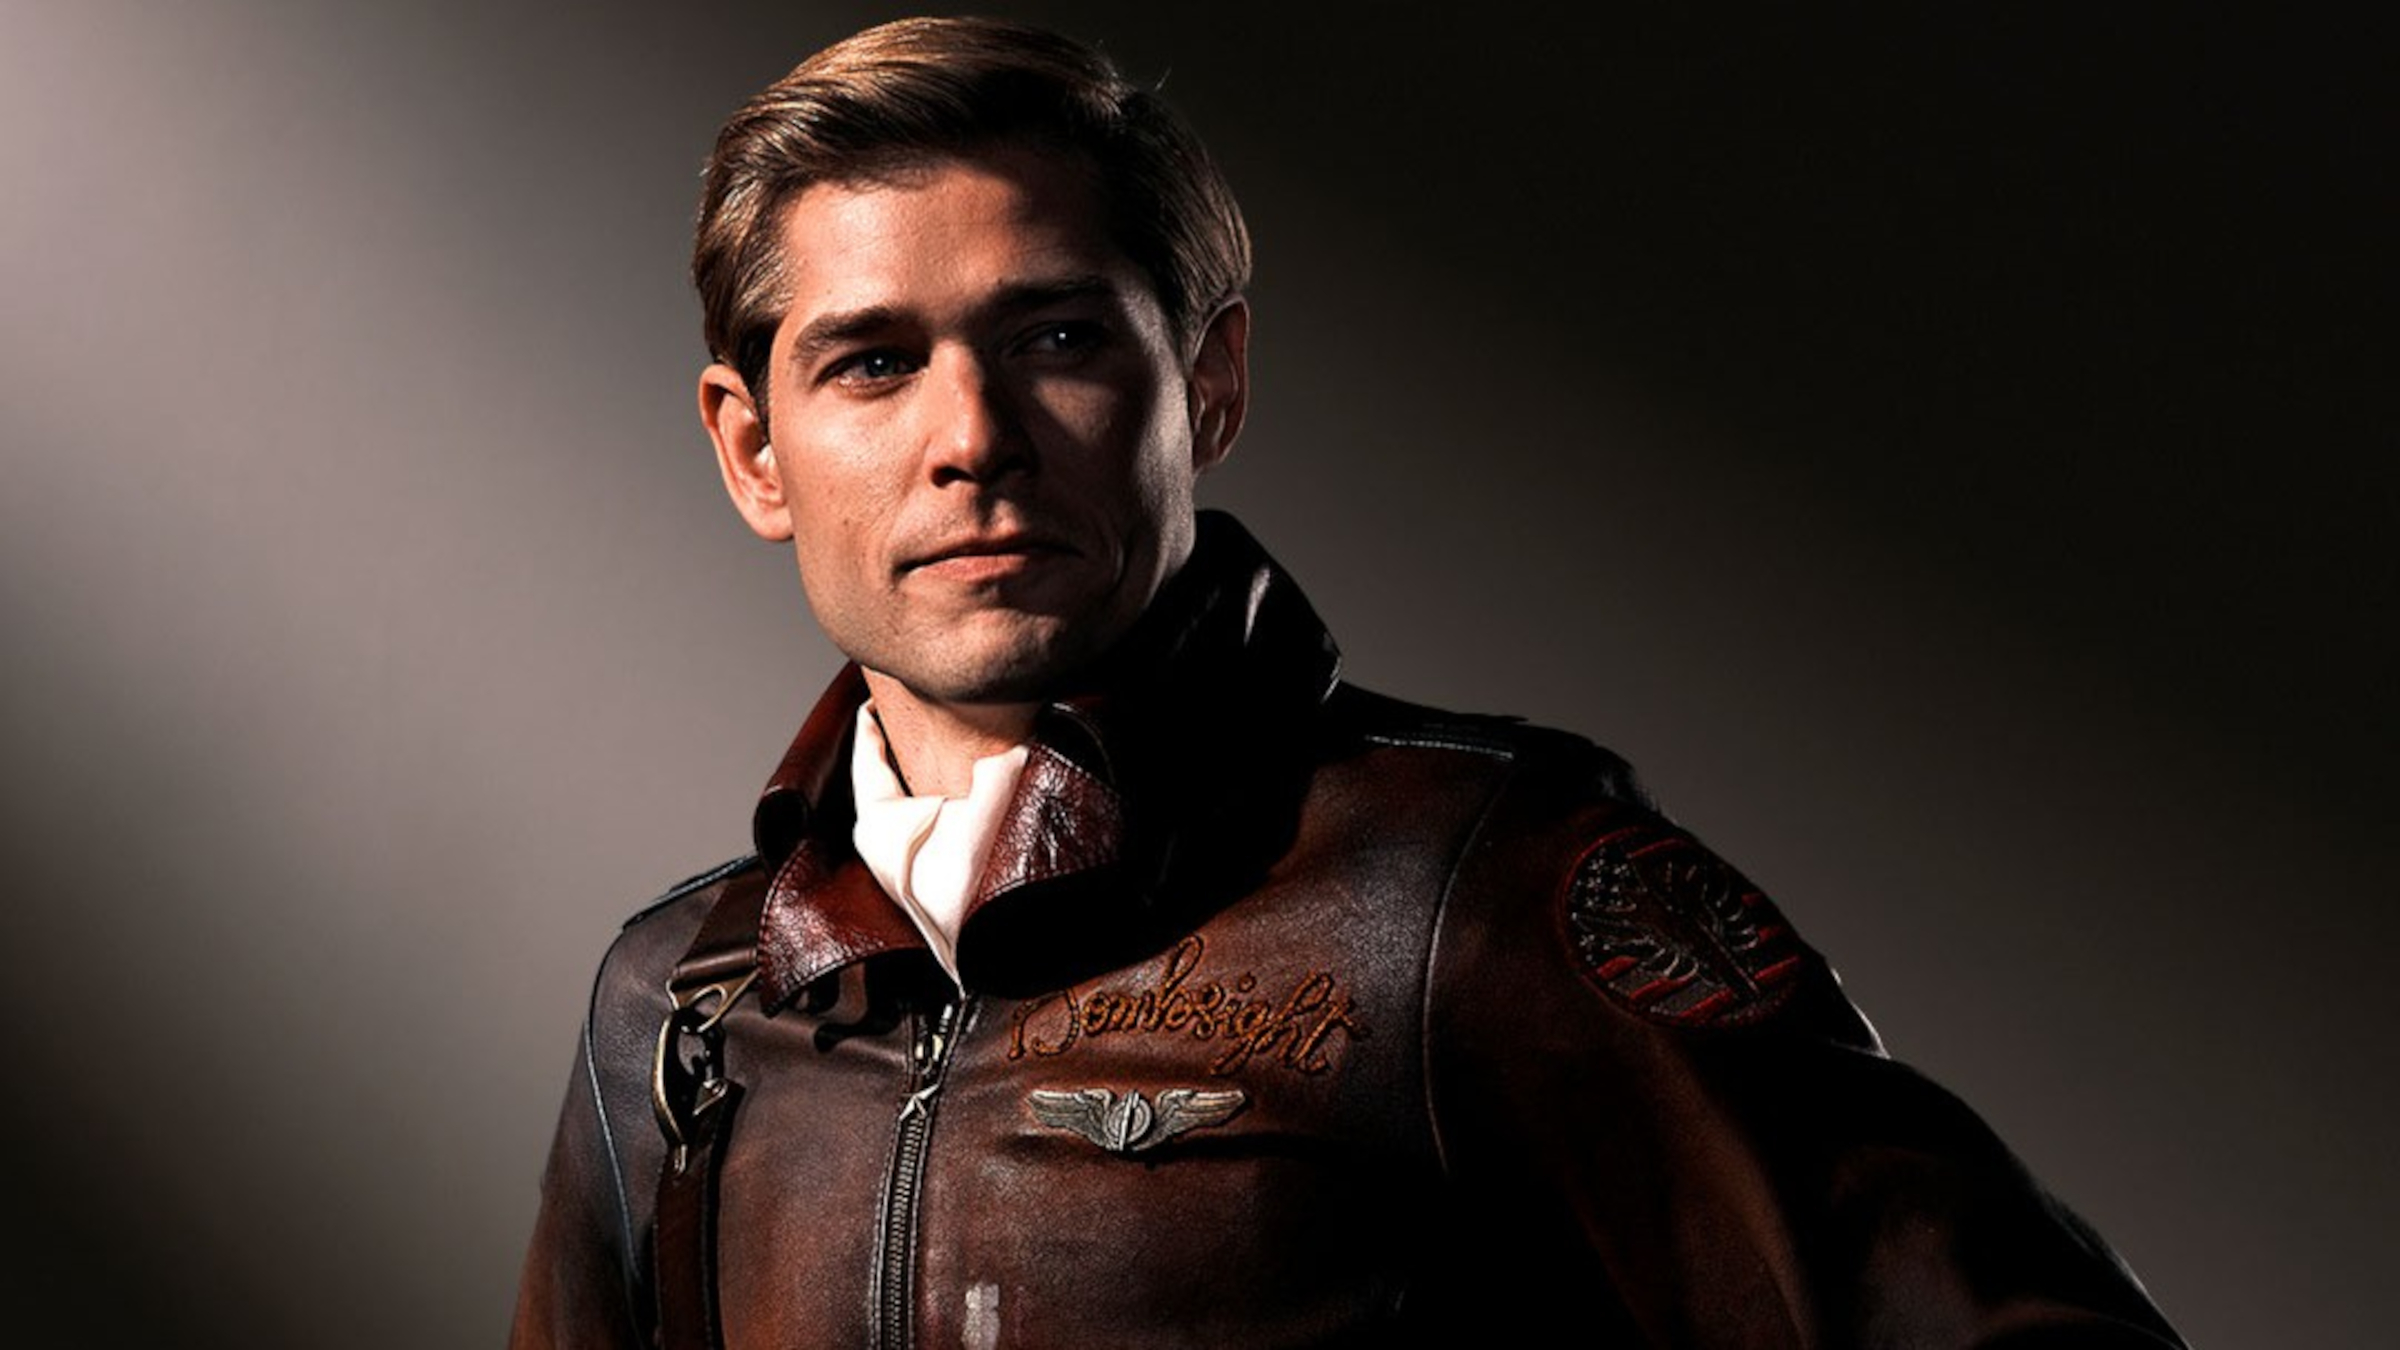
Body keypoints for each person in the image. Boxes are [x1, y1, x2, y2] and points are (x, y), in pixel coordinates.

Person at [510, 17, 2184, 1348]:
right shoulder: (680, 1002)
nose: (972, 440)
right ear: (754, 450)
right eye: (875, 362)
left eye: (1058, 338)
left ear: (1209, 382)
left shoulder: (1475, 887)